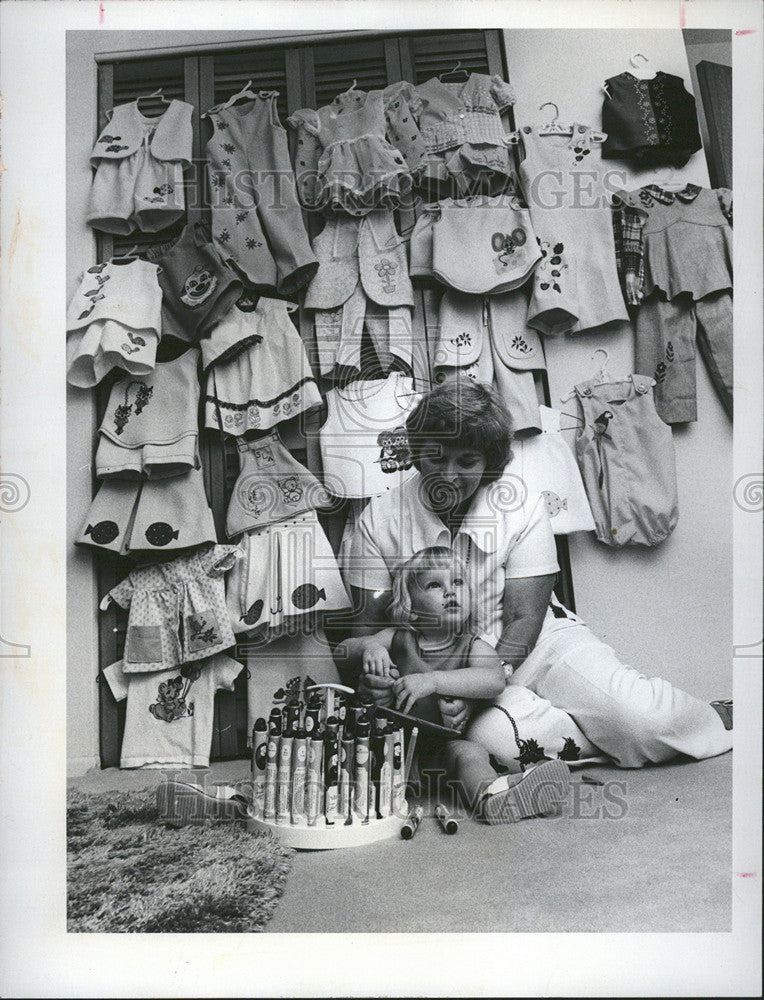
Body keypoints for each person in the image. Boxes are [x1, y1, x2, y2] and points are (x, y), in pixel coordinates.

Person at [341, 377, 733, 770]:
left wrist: (478, 689)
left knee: (644, 721)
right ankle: (601, 731)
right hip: (442, 668)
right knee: (499, 745)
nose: (448, 474)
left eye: (467, 461)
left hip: (536, 643)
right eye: (435, 456)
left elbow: (523, 618)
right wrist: (385, 674)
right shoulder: (380, 519)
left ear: (489, 461)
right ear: (416, 450)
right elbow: (365, 633)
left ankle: (712, 717)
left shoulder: (520, 504)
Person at [335, 546, 573, 824]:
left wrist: (432, 681)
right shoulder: (397, 638)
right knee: (350, 751)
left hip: (437, 756)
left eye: (458, 582)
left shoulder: (472, 646)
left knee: (469, 753)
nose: (450, 592)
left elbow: (494, 679)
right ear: (409, 605)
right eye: (435, 584)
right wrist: (369, 647)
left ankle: (494, 797)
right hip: (388, 749)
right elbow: (342, 652)